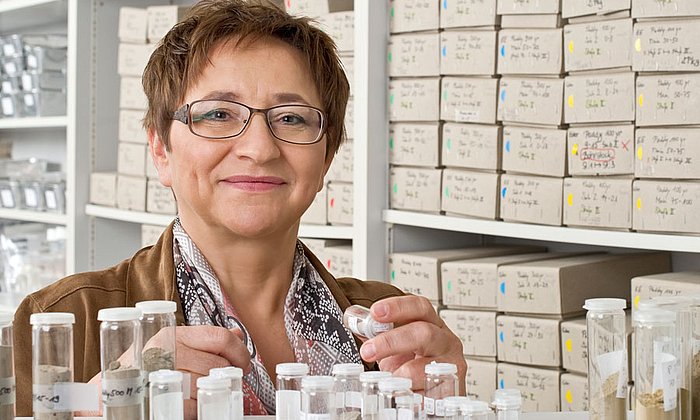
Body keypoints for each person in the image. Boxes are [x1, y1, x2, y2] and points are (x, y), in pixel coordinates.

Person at [12, 0, 467, 417]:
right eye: (217, 114)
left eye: (291, 118)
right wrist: (95, 409)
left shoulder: (385, 323)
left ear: (327, 156)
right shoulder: (68, 323)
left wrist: (447, 405)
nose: (258, 148)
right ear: (160, 149)